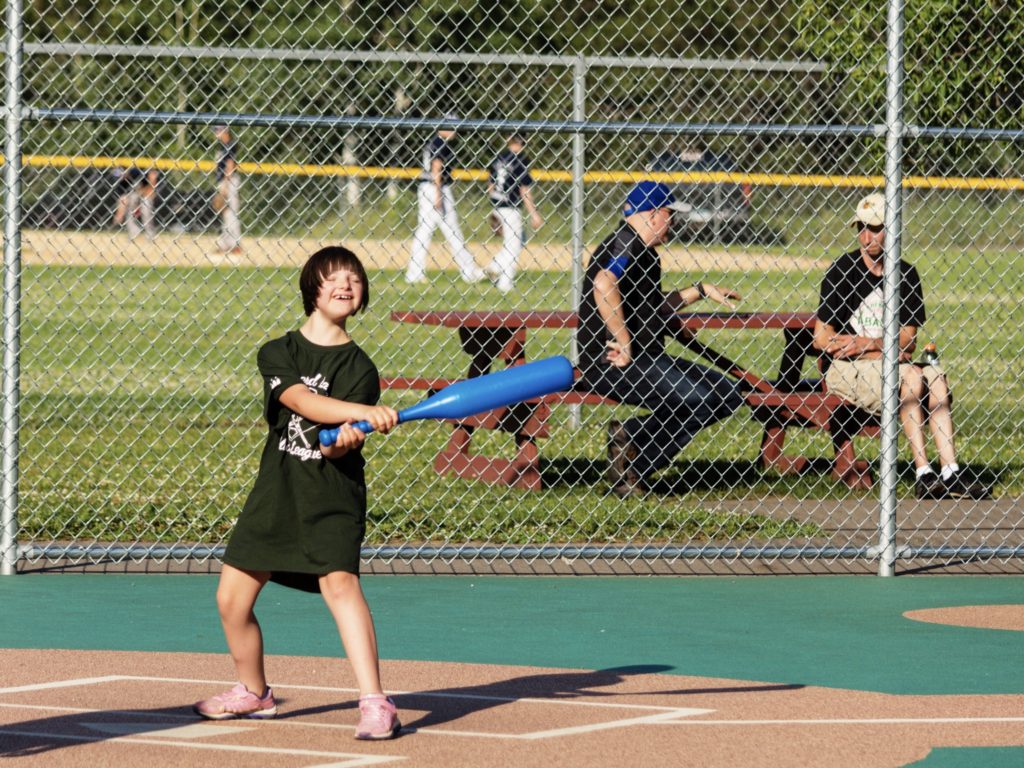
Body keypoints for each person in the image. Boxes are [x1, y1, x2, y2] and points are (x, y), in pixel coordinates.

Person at [193, 246, 403, 739]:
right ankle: (253, 693)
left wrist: (351, 432)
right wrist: (359, 413)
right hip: (278, 490)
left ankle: (376, 701)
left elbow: (334, 450)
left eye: (354, 279)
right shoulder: (278, 351)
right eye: (334, 277)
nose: (345, 285)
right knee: (231, 598)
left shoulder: (360, 368)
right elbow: (298, 400)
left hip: (331, 493)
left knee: (340, 586)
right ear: (312, 286)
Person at [813, 192, 990, 500]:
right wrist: (882, 349)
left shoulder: (905, 273)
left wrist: (867, 344)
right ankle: (923, 472)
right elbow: (822, 339)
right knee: (910, 373)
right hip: (846, 370)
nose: (866, 236)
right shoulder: (842, 270)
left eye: (875, 227)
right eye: (861, 227)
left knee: (935, 376)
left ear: (891, 229)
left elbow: (909, 338)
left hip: (880, 362)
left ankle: (950, 472)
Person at [575, 180, 746, 497]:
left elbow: (651, 307)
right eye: (670, 215)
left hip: (646, 360)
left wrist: (701, 290)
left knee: (728, 393)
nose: (674, 223)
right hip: (612, 363)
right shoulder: (624, 244)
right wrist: (624, 341)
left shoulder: (646, 254)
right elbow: (603, 283)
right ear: (653, 215)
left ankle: (631, 440)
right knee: (697, 399)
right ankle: (634, 467)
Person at [405, 118, 485, 285]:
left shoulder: (433, 141)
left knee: (425, 231)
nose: (455, 130)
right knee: (451, 231)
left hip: (427, 187)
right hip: (436, 188)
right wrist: (438, 193)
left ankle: (414, 273)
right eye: (453, 127)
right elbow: (437, 167)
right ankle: (468, 271)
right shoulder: (441, 143)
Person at [483, 133, 543, 293]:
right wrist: (534, 213)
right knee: (514, 245)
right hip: (511, 207)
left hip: (497, 203)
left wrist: (494, 203)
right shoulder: (521, 159)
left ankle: (494, 266)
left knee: (518, 240)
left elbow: (490, 183)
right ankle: (505, 282)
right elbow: (524, 189)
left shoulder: (499, 157)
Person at [213, 124, 242, 255]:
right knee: (226, 214)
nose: (215, 133)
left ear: (225, 131)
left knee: (231, 213)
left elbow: (230, 166)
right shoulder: (222, 146)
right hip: (224, 182)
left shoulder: (230, 144)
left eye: (217, 130)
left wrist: (225, 185)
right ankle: (226, 244)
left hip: (229, 182)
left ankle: (235, 244)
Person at [112, 167, 157, 240]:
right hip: (134, 195)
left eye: (122, 175)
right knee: (130, 211)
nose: (121, 178)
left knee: (146, 210)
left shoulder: (137, 173)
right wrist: (120, 213)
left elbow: (151, 184)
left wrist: (142, 198)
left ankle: (150, 234)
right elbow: (123, 198)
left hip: (145, 193)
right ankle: (134, 232)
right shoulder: (122, 183)